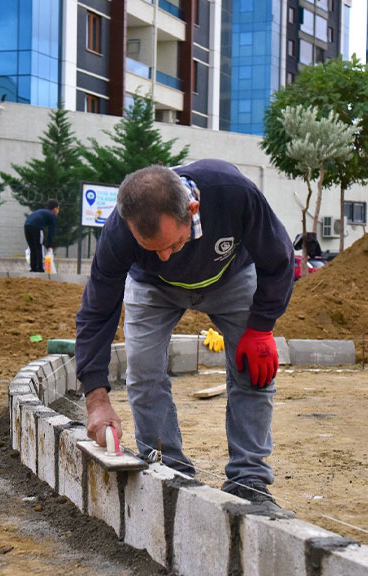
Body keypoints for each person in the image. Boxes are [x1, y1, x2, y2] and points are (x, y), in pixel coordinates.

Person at [75, 160, 295, 510]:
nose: (162, 255)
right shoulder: (120, 229)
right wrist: (96, 399)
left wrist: (262, 327)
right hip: (154, 289)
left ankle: (248, 479)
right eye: (151, 248)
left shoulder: (233, 194)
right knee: (143, 371)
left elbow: (279, 259)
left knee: (252, 372)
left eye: (169, 244)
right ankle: (167, 470)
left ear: (192, 210)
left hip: (231, 279)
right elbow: (98, 310)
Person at [24, 199, 59, 273]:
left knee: (32, 248)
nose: (58, 211)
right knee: (38, 247)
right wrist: (49, 245)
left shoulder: (42, 212)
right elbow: (51, 232)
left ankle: (33, 268)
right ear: (55, 209)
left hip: (26, 226)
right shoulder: (53, 216)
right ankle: (40, 269)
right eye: (58, 208)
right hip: (36, 227)